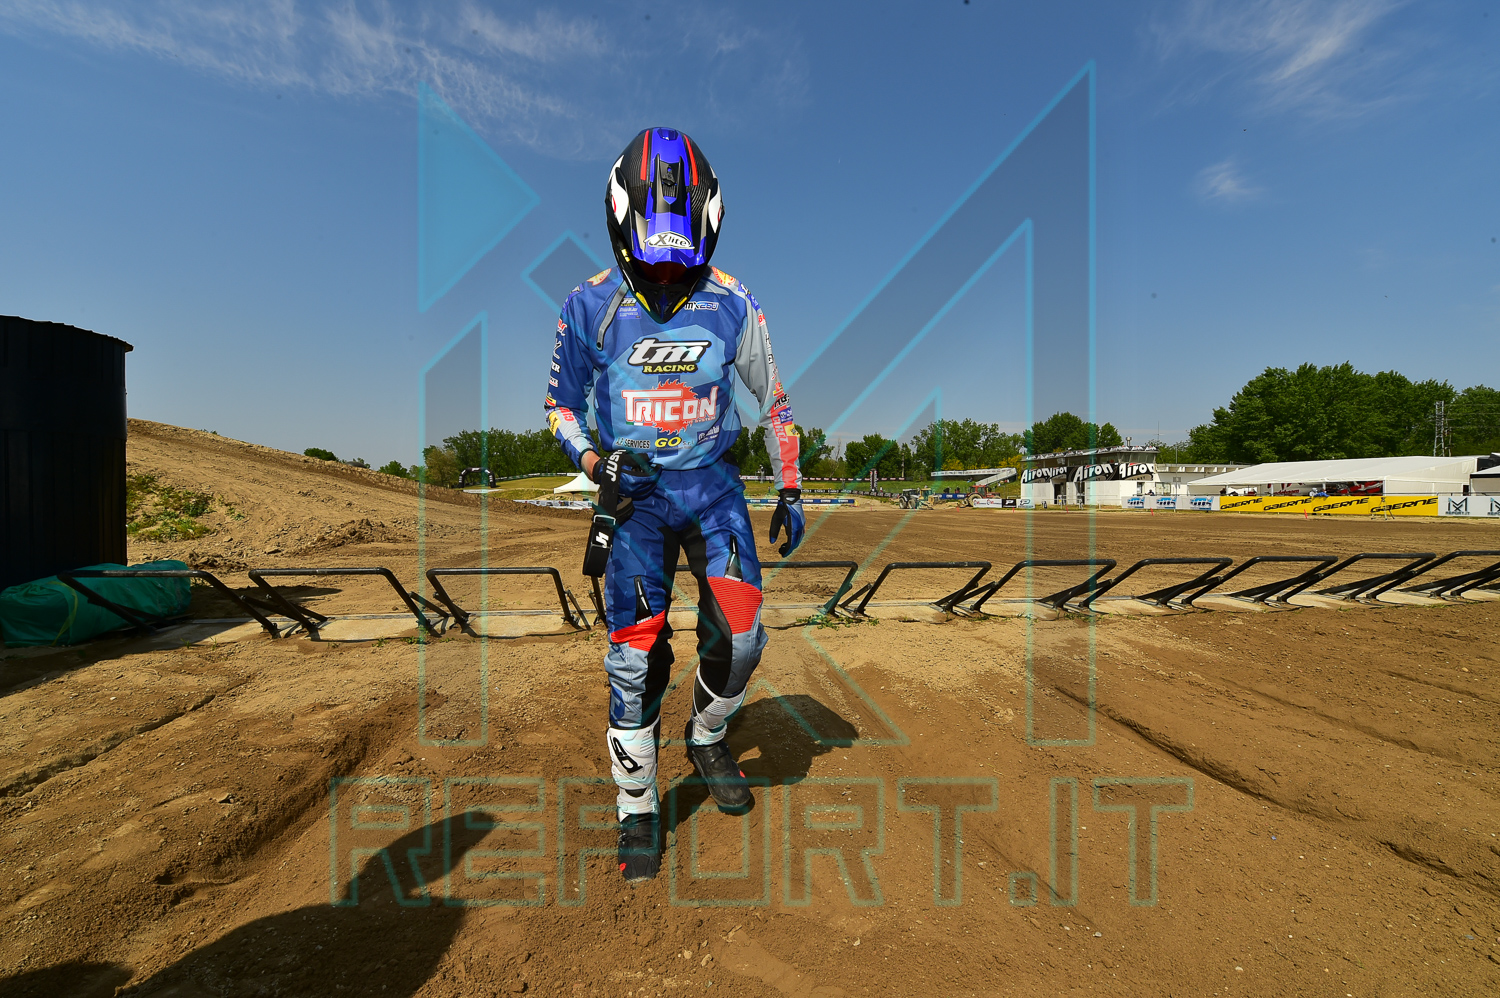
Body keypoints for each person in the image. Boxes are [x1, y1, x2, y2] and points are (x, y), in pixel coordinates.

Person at [543, 127, 803, 883]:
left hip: (714, 488)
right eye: (650, 260)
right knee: (634, 656)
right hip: (635, 500)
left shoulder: (735, 302)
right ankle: (637, 807)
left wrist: (789, 484)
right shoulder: (588, 304)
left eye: (679, 262)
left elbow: (774, 401)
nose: (663, 276)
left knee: (744, 639)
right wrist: (593, 462)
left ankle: (705, 735)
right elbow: (560, 406)